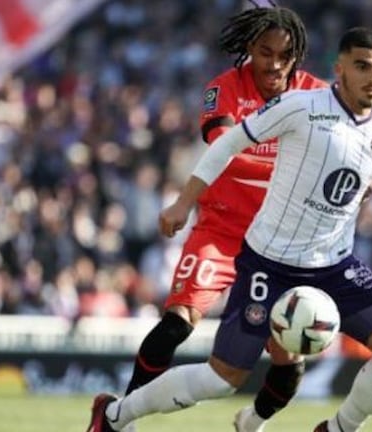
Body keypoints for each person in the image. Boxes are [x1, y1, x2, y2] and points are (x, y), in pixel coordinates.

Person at [87, 27, 372, 432]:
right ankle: (114, 414)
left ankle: (336, 429)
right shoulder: (302, 107)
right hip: (268, 265)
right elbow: (231, 141)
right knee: (224, 378)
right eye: (361, 66)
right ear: (340, 68)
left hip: (334, 267)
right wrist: (185, 201)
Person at [111, 4, 327, 432]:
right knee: (177, 324)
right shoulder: (224, 88)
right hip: (223, 230)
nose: (275, 64)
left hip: (282, 243)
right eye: (266, 53)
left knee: (289, 358)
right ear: (250, 49)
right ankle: (125, 415)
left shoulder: (317, 95)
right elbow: (222, 148)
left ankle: (252, 422)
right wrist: (293, 166)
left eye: (285, 56)